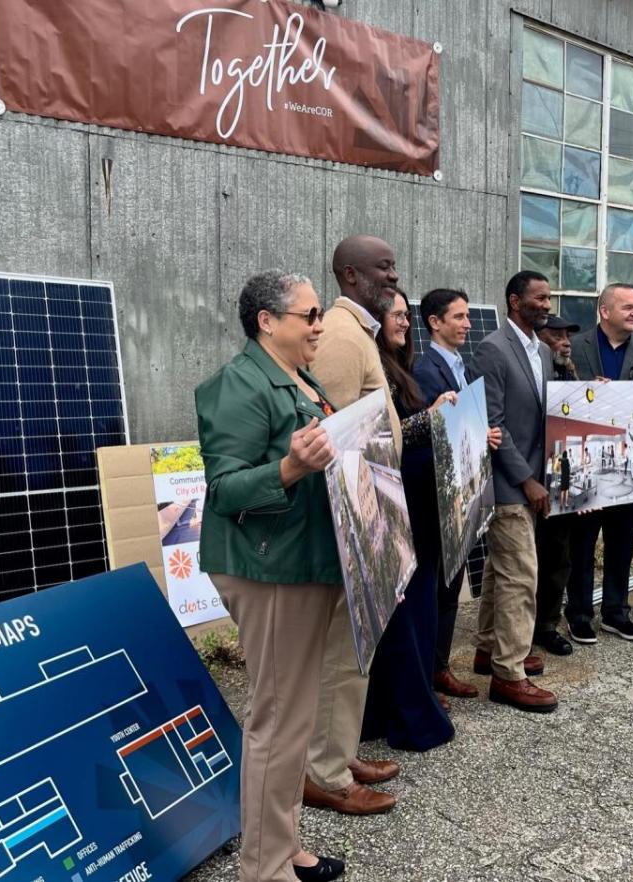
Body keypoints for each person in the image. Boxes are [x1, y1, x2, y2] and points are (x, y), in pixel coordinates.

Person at [196, 270, 345, 882]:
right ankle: (263, 868)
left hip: (302, 564)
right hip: (270, 570)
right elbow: (224, 487)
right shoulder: (237, 385)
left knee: (295, 719)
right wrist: (288, 467)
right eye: (309, 316)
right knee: (277, 721)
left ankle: (283, 847)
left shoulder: (298, 378)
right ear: (267, 321)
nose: (319, 326)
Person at [300, 236, 403, 816]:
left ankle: (337, 751)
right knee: (341, 651)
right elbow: (325, 440)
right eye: (382, 267)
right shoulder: (340, 336)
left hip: (367, 516)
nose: (393, 275)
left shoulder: (355, 330)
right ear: (350, 274)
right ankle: (326, 772)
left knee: (352, 650)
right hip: (350, 525)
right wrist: (362, 530)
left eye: (391, 265)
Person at [361, 290, 456, 750]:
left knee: (420, 612)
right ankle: (407, 714)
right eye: (396, 315)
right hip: (399, 507)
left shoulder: (401, 366)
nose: (404, 322)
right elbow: (381, 434)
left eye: (404, 314)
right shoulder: (374, 367)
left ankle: (410, 703)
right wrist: (431, 419)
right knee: (406, 614)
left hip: (420, 502)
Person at [567, 283, 633, 644]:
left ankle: (616, 612)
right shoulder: (575, 349)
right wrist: (590, 397)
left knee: (623, 542)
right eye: (627, 307)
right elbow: (558, 395)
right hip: (586, 464)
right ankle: (580, 613)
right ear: (604, 311)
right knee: (582, 543)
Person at [471, 270, 558, 712]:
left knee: (498, 572)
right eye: (539, 297)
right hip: (509, 483)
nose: (547, 304)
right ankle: (509, 674)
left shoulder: (541, 350)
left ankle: (489, 649)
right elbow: (494, 423)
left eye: (549, 297)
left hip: (534, 480)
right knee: (520, 576)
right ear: (514, 301)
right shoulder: (492, 349)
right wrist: (526, 479)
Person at [412, 288, 481, 702]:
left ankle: (440, 667)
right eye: (458, 317)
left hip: (461, 491)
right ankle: (426, 674)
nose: (467, 324)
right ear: (434, 322)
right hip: (435, 495)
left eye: (468, 316)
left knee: (452, 586)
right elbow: (426, 432)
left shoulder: (462, 367)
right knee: (434, 590)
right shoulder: (424, 370)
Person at [531, 313, 581, 657]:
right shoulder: (533, 372)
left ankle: (547, 624)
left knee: (558, 557)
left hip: (562, 481)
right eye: (556, 335)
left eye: (568, 335)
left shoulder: (571, 372)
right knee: (524, 561)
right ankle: (519, 629)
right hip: (529, 479)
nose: (564, 341)